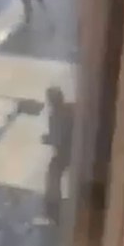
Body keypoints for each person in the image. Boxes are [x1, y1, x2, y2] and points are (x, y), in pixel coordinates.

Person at [42, 87, 74, 223]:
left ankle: (53, 209)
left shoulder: (55, 115)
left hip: (65, 153)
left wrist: (46, 139)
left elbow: (57, 139)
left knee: (53, 175)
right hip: (78, 149)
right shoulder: (72, 108)